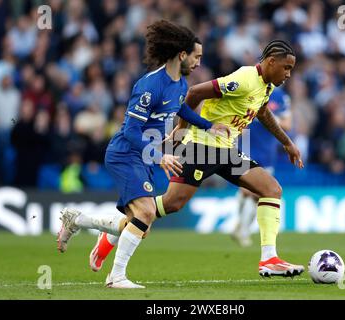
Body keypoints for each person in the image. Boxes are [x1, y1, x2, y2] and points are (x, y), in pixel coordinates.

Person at [62, 39, 305, 284]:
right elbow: (195, 92)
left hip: (227, 150)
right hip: (202, 147)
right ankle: (110, 229)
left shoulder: (266, 85)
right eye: (286, 68)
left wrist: (287, 142)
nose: (288, 74)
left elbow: (262, 112)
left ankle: (269, 259)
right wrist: (181, 131)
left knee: (271, 189)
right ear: (271, 62)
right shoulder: (244, 79)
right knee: (170, 204)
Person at [56, 20, 229, 289]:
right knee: (147, 212)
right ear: (182, 54)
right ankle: (116, 277)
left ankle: (77, 220)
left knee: (140, 225)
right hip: (126, 154)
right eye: (197, 57)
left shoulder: (180, 84)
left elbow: (180, 109)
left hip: (144, 157)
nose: (198, 63)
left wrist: (208, 126)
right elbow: (131, 132)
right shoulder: (149, 86)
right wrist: (160, 155)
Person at [232, 87, 292, 247]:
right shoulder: (249, 88)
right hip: (245, 146)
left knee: (257, 193)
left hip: (267, 152)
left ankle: (241, 227)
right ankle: (241, 228)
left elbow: (287, 124)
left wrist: (267, 116)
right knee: (246, 189)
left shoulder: (280, 96)